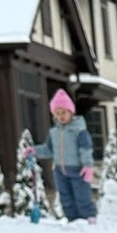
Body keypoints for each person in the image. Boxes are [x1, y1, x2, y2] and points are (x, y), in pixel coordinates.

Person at [34, 89, 96, 221]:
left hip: (78, 170)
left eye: (63, 112)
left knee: (82, 197)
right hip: (59, 171)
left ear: (71, 112)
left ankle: (89, 219)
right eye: (57, 113)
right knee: (65, 198)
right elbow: (48, 150)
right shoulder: (54, 132)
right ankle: (72, 220)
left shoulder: (79, 130)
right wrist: (34, 151)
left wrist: (88, 166)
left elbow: (86, 148)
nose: (60, 116)